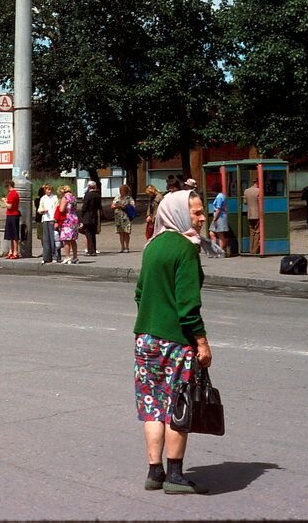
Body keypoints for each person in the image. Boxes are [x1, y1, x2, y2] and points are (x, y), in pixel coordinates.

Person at [133, 189, 213, 495]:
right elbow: (188, 305)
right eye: (196, 212)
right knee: (177, 405)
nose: (202, 217)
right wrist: (202, 342)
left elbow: (140, 293)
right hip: (176, 342)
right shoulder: (185, 249)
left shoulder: (152, 246)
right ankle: (175, 475)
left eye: (202, 211)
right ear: (180, 213)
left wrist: (153, 317)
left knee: (152, 406)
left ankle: (155, 472)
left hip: (145, 339)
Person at [56, 184, 80, 263]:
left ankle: (67, 257)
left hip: (67, 219)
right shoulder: (74, 198)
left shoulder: (65, 197)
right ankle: (75, 257)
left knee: (66, 239)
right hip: (74, 218)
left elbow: (62, 209)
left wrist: (58, 206)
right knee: (73, 239)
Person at [80, 177, 102, 256]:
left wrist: (81, 216)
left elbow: (84, 207)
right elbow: (99, 206)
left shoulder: (87, 195)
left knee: (88, 234)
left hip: (87, 217)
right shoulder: (98, 195)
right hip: (94, 216)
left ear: (89, 187)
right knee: (93, 234)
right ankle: (94, 250)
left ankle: (90, 251)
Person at [38, 184, 59, 264]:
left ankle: (55, 256)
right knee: (46, 239)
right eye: (47, 190)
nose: (49, 191)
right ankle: (46, 257)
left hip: (52, 219)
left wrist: (56, 220)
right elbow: (40, 209)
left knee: (53, 239)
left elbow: (57, 209)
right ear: (45, 190)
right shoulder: (43, 198)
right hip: (45, 219)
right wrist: (42, 211)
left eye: (50, 189)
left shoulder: (55, 197)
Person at [112, 184, 136, 253]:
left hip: (126, 218)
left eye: (121, 190)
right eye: (120, 190)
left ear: (125, 191)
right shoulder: (117, 198)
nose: (120, 191)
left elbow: (133, 207)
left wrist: (123, 206)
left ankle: (127, 247)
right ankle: (122, 247)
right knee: (120, 233)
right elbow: (112, 206)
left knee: (126, 233)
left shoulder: (129, 198)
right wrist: (116, 206)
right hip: (118, 218)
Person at [3, 179, 22, 259]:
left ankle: (15, 252)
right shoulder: (16, 193)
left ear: (8, 186)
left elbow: (9, 206)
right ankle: (12, 251)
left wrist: (4, 201)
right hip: (14, 215)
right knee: (11, 234)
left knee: (14, 235)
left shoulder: (12, 194)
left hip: (12, 215)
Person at [208, 185, 229, 254]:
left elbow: (218, 209)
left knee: (220, 234)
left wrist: (215, 218)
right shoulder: (221, 196)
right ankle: (215, 248)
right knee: (212, 233)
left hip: (219, 216)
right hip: (219, 216)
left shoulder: (219, 197)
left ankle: (220, 250)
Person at [243, 177, 262, 255]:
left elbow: (245, 202)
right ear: (257, 182)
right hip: (258, 213)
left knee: (252, 232)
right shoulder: (259, 191)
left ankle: (251, 249)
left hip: (250, 214)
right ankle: (255, 250)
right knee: (257, 232)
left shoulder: (246, 191)